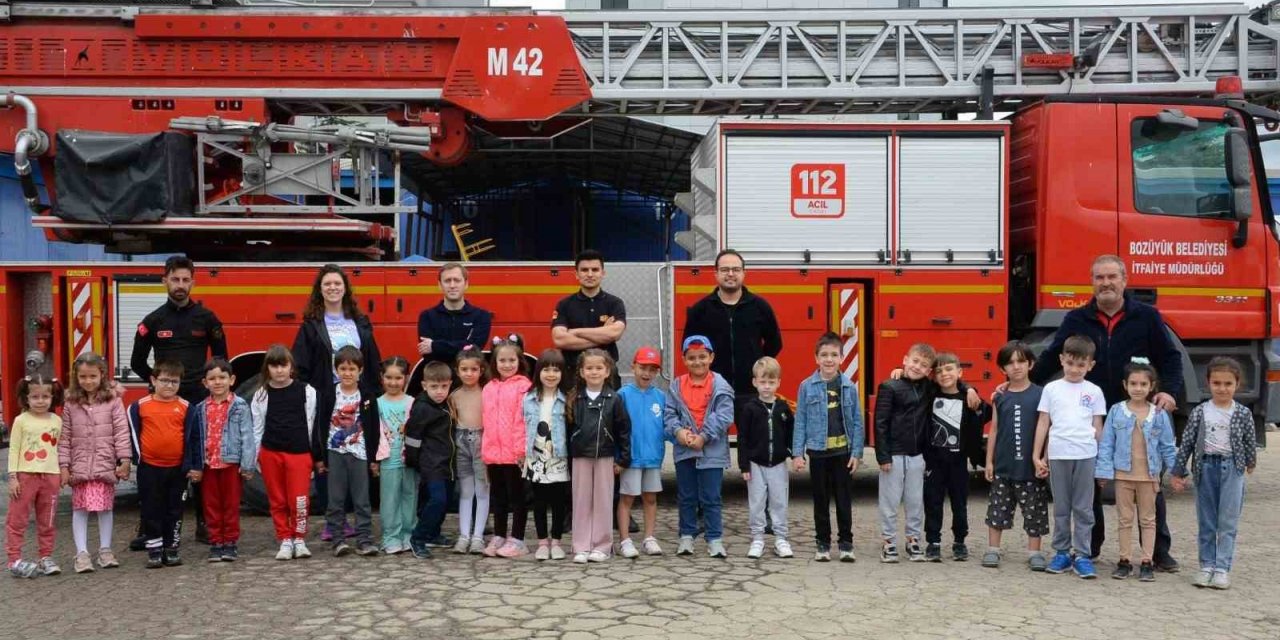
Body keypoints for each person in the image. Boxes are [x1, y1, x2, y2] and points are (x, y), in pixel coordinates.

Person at [1031, 254, 1183, 570]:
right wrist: (1020, 384)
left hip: (1135, 413)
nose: (1106, 283)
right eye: (1099, 278)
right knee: (1092, 486)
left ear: (1124, 280)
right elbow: (1052, 357)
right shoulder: (1076, 319)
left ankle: (1157, 551)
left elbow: (1170, 357)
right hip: (1094, 417)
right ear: (1092, 282)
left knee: (1146, 481)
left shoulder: (1147, 317)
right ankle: (1090, 548)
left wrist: (1168, 389)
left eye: (1112, 277)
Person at [129, 255, 227, 547]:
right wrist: (157, 384)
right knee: (157, 466)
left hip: (198, 402)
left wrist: (211, 384)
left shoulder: (208, 319)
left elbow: (221, 359)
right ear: (165, 281)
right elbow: (136, 361)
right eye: (175, 279)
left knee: (201, 463)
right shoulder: (153, 321)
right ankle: (150, 528)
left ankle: (203, 524)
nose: (180, 285)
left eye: (186, 280)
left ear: (193, 282)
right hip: (163, 403)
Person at [292, 264, 382, 543]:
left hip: (358, 399)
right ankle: (334, 523)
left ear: (346, 288)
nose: (333, 288)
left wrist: (374, 392)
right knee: (328, 457)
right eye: (327, 284)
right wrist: (308, 395)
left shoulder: (360, 321)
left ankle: (359, 521)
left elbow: (373, 357)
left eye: (337, 284)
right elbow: (300, 365)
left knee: (357, 457)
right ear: (320, 290)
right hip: (326, 399)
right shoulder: (311, 325)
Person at [1172, 357, 1258, 590]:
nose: (1222, 388)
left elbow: (1250, 439)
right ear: (1208, 383)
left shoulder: (1242, 413)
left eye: (1228, 384)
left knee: (1227, 522)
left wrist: (1250, 462)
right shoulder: (1200, 412)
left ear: (1237, 385)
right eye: (1217, 383)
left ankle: (1222, 569)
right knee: (1207, 521)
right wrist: (1178, 472)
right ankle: (1206, 566)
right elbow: (1187, 441)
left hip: (1232, 469)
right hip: (1205, 469)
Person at [1033, 335, 1107, 579]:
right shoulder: (1051, 389)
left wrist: (1103, 460)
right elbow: (1044, 422)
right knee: (1062, 507)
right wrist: (1037, 455)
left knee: (1084, 508)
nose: (1075, 369)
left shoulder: (1094, 391)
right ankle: (1062, 552)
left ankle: (1083, 555)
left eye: (1081, 365)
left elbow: (1098, 426)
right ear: (1062, 360)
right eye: (1070, 363)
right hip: (1058, 455)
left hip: (1086, 455)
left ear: (1090, 366)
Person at [1095, 362, 1176, 582]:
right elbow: (1106, 444)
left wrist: (1178, 473)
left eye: (1143, 384)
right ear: (1125, 385)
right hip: (1123, 476)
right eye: (1133, 383)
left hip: (1149, 477)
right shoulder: (1116, 411)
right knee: (1124, 519)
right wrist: (1103, 471)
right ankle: (1124, 561)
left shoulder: (1159, 415)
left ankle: (1147, 561)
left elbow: (1168, 446)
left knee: (1149, 520)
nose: (1138, 388)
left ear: (1152, 386)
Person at [681, 249, 782, 420]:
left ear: (744, 273)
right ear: (716, 273)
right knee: (713, 443)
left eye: (735, 269)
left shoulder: (760, 307)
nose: (730, 274)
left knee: (752, 445)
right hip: (712, 391)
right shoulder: (700, 310)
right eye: (724, 269)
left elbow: (775, 343)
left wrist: (757, 368)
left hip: (751, 391)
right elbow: (687, 349)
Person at [796, 332, 864, 563]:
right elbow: (801, 421)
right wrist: (797, 453)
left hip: (842, 453)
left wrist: (856, 453)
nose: (829, 359)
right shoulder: (806, 386)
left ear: (842, 358)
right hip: (818, 453)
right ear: (816, 358)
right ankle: (822, 543)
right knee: (821, 500)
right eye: (824, 355)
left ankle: (846, 543)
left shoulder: (849, 386)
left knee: (843, 500)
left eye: (834, 355)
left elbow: (856, 420)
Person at [664, 335, 734, 559]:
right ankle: (686, 536)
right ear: (684, 359)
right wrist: (678, 432)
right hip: (685, 450)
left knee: (711, 497)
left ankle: (714, 538)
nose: (698, 362)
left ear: (711, 357)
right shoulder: (676, 385)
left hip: (711, 451)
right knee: (686, 496)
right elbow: (669, 414)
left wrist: (704, 436)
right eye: (692, 358)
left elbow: (724, 416)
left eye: (702, 357)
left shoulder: (720, 386)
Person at [60, 353, 131, 574]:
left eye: (93, 376)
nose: (88, 381)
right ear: (76, 377)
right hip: (80, 466)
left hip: (104, 465)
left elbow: (121, 432)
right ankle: (81, 554)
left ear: (102, 374)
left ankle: (105, 550)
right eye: (83, 376)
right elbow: (65, 436)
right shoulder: (71, 403)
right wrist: (64, 466)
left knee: (105, 509)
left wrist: (125, 460)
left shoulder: (114, 401)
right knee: (80, 509)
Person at [982, 341, 1050, 571]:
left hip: (1030, 470)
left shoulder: (1042, 395)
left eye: (1021, 361)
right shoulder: (999, 396)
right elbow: (994, 429)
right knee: (997, 510)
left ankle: (1035, 552)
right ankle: (993, 549)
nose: (1016, 367)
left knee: (1035, 512)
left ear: (1030, 364)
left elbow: (1049, 429)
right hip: (1003, 466)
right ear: (1002, 369)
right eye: (1010, 363)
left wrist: (1044, 459)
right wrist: (989, 461)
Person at [183, 358, 256, 563]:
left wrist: (247, 464)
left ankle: (230, 542)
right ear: (205, 383)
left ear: (231, 380)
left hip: (230, 464)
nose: (218, 382)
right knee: (211, 505)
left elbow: (247, 436)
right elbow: (194, 439)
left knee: (231, 505)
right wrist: (195, 466)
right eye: (212, 379)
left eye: (222, 377)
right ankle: (216, 542)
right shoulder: (199, 409)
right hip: (209, 465)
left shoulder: (239, 406)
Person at [250, 345, 319, 562]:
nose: (279, 370)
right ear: (267, 368)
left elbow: (312, 424)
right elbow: (257, 428)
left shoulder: (307, 391)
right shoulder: (261, 394)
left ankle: (299, 538)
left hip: (299, 453)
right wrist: (255, 458)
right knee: (277, 500)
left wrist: (314, 455)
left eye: (283, 365)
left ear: (291, 367)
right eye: (274, 365)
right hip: (271, 452)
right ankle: (284, 539)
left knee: (299, 499)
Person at [923, 353, 991, 562]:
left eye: (949, 369)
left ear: (959, 373)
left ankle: (959, 541)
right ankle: (933, 542)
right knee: (933, 503)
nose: (944, 374)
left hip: (959, 462)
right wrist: (899, 372)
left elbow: (987, 412)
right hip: (935, 461)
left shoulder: (968, 398)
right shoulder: (930, 395)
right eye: (939, 371)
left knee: (959, 504)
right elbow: (914, 383)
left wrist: (969, 389)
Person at [315, 346, 380, 558]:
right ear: (336, 370)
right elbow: (320, 424)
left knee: (362, 499)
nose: (347, 373)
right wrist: (320, 456)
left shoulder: (368, 395)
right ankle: (338, 539)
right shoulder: (328, 394)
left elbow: (374, 428)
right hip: (335, 452)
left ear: (360, 370)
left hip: (360, 453)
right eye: (343, 368)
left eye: (352, 368)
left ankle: (364, 539)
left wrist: (373, 458)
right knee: (335, 498)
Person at [569, 349, 631, 564]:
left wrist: (623, 458)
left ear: (607, 371)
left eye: (599, 368)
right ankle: (581, 545)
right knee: (581, 501)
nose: (594, 372)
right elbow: (568, 428)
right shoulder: (575, 398)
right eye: (589, 368)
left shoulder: (614, 399)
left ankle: (602, 546)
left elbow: (623, 429)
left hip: (605, 456)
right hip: (580, 456)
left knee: (603, 501)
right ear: (581, 372)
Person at [128, 360, 192, 569]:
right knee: (151, 509)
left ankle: (171, 549)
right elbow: (133, 434)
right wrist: (139, 459)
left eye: (174, 381)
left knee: (175, 510)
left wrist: (191, 464)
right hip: (150, 468)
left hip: (177, 469)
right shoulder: (139, 406)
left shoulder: (185, 407)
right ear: (153, 380)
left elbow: (192, 438)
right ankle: (154, 550)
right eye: (164, 380)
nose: (169, 385)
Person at [873, 343, 933, 563]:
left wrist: (970, 389)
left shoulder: (928, 387)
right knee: (889, 500)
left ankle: (913, 540)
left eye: (924, 365)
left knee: (915, 500)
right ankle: (888, 541)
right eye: (915, 361)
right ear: (905, 359)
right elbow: (880, 422)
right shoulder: (890, 387)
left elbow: (953, 385)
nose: (917, 367)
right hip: (894, 455)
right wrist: (883, 456)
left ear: (929, 371)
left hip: (917, 455)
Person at [7, 374, 65, 579]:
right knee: (17, 518)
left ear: (52, 397)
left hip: (51, 476)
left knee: (47, 520)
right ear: (26, 398)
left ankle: (45, 557)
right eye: (35, 397)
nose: (40, 401)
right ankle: (14, 559)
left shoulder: (57, 421)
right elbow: (14, 449)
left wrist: (64, 471)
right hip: (25, 475)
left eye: (45, 397)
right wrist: (13, 477)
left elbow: (61, 448)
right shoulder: (21, 420)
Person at [481, 335, 534, 558]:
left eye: (512, 360)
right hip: (493, 453)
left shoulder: (525, 387)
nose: (507, 365)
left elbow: (525, 422)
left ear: (519, 362)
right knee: (498, 497)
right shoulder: (489, 388)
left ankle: (518, 539)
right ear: (494, 363)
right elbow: (485, 420)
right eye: (502, 361)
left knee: (518, 497)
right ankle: (500, 535)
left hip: (515, 454)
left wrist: (522, 451)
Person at [738, 356, 795, 559]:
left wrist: (795, 454)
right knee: (757, 502)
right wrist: (744, 465)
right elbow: (742, 438)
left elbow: (791, 433)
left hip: (778, 463)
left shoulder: (783, 408)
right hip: (755, 464)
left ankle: (781, 538)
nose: (767, 387)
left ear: (779, 382)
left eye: (771, 382)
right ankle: (757, 538)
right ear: (755, 382)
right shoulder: (749, 409)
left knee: (779, 501)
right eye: (763, 382)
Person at [617, 346, 666, 558]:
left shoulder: (661, 397)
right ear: (633, 367)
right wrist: (619, 457)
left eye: (652, 370)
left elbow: (668, 425)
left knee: (650, 498)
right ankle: (625, 540)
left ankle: (649, 538)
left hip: (653, 458)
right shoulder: (623, 395)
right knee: (627, 498)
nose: (647, 373)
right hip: (631, 458)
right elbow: (615, 427)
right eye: (642, 367)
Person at [525, 349, 572, 561]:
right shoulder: (528, 398)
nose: (551, 374)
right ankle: (542, 542)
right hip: (535, 458)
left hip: (559, 458)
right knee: (539, 501)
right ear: (538, 372)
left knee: (559, 501)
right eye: (546, 369)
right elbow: (521, 426)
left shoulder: (567, 399)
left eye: (556, 370)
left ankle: (557, 541)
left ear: (562, 373)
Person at [551, 249, 627, 379]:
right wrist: (603, 335)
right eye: (584, 270)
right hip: (572, 375)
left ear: (603, 273)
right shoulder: (564, 304)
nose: (590, 274)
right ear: (576, 274)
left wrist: (575, 332)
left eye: (595, 270)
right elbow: (559, 339)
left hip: (607, 375)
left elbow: (615, 333)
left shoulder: (615, 303)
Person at [406, 361, 456, 559]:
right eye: (434, 387)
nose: (439, 392)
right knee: (437, 500)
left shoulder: (447, 404)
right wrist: (414, 462)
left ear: (450, 384)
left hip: (448, 464)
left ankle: (434, 534)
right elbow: (412, 437)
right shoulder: (421, 408)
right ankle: (418, 538)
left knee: (446, 501)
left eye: (444, 386)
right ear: (424, 385)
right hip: (431, 464)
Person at [375, 356, 416, 555]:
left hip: (410, 460)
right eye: (389, 378)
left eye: (398, 378)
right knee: (390, 498)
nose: (393, 382)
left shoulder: (413, 403)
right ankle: (390, 536)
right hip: (388, 459)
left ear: (406, 378)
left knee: (410, 496)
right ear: (381, 378)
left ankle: (408, 534)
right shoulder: (377, 404)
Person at [451, 347, 489, 555]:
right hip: (461, 442)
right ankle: (464, 535)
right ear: (457, 371)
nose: (468, 373)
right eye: (464, 369)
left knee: (482, 491)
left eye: (473, 369)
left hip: (482, 441)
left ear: (481, 370)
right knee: (466, 492)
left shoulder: (487, 393)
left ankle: (478, 537)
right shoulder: (454, 396)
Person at [417, 262, 492, 365]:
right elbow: (428, 355)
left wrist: (435, 346)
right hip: (439, 378)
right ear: (440, 285)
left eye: (457, 280)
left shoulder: (482, 316)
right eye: (447, 281)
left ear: (466, 284)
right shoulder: (427, 316)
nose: (452, 285)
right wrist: (463, 345)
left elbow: (474, 349)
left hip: (468, 378)